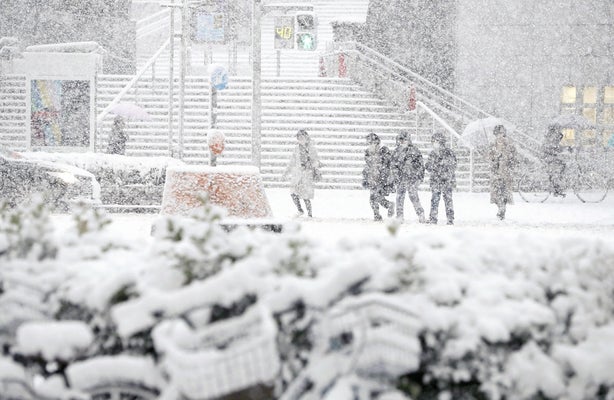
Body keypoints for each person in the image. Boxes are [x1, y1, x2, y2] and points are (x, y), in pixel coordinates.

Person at [283, 129, 322, 217]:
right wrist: (286, 172)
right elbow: (292, 162)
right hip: (297, 175)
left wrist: (310, 165)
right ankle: (300, 210)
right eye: (298, 138)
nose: (300, 139)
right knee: (293, 193)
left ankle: (310, 214)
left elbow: (316, 161)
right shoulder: (296, 149)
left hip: (307, 174)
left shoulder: (311, 148)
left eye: (302, 137)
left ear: (306, 137)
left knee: (306, 196)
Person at [391, 131, 426, 223]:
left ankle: (421, 214)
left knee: (414, 197)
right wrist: (396, 176)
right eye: (401, 140)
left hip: (412, 179)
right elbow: (393, 165)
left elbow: (421, 165)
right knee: (399, 198)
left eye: (405, 140)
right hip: (400, 179)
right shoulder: (396, 152)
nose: (403, 142)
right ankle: (399, 216)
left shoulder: (415, 150)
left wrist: (419, 177)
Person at [425, 131, 457, 225]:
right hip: (436, 180)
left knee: (448, 199)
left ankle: (450, 218)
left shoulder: (449, 152)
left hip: (446, 180)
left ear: (441, 142)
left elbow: (453, 165)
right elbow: (428, 166)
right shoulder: (432, 153)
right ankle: (433, 218)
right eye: (433, 141)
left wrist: (442, 166)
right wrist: (433, 166)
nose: (434, 143)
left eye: (436, 141)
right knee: (435, 199)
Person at [488, 125, 519, 220]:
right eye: (498, 133)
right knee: (496, 194)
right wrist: (493, 159)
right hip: (495, 172)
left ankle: (502, 209)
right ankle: (501, 208)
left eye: (502, 133)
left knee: (504, 193)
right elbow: (489, 157)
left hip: (506, 173)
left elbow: (514, 158)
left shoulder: (509, 145)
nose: (500, 135)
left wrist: (508, 160)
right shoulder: (492, 145)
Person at [362, 132, 395, 221]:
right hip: (372, 177)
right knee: (374, 198)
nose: (370, 144)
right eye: (368, 143)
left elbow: (387, 164)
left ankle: (382, 211)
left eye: (371, 142)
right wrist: (366, 176)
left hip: (382, 178)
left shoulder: (384, 150)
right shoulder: (368, 152)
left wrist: (383, 176)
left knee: (375, 196)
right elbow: (367, 165)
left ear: (376, 142)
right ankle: (381, 211)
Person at [541, 124, 566, 197]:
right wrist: (560, 149)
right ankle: (556, 186)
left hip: (549, 156)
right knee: (561, 166)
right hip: (548, 157)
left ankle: (557, 186)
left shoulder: (550, 137)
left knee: (561, 166)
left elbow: (555, 146)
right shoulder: (551, 138)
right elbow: (552, 147)